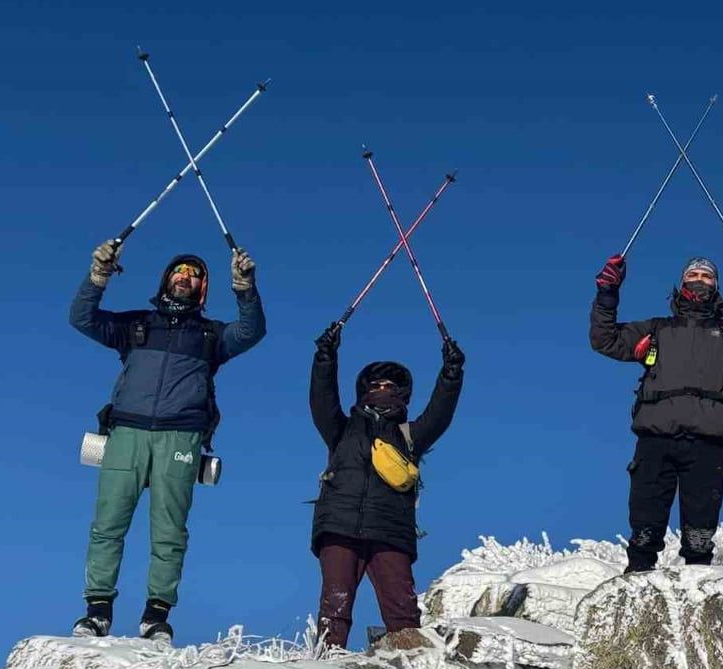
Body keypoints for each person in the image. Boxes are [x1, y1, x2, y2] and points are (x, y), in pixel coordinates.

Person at [70, 241, 266, 640]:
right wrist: (98, 275)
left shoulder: (211, 336)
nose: (185, 278)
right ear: (166, 279)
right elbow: (82, 318)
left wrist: (244, 287)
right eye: (180, 271)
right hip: (127, 433)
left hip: (181, 436)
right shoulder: (137, 325)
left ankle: (156, 616)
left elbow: (251, 331)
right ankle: (97, 611)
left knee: (169, 532)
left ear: (203, 288)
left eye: (194, 275)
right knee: (108, 524)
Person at [590, 251, 723, 572]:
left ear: (715, 287)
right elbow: (604, 339)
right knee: (645, 525)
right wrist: (608, 292)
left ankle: (699, 583)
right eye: (694, 275)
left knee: (701, 533)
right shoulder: (657, 330)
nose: (700, 281)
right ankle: (637, 577)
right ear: (682, 282)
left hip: (706, 440)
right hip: (656, 436)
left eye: (707, 277)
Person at [309, 322, 464, 648]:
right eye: (376, 385)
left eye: (390, 385)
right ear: (364, 391)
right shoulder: (341, 430)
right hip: (339, 526)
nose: (382, 389)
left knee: (404, 614)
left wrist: (451, 373)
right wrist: (325, 357)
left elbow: (440, 412)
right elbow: (322, 400)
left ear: (402, 394)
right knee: (334, 610)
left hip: (391, 531)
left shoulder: (410, 436)